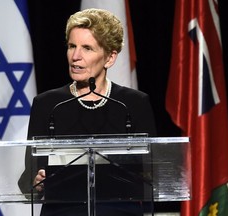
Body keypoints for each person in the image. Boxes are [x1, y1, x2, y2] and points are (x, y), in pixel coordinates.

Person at [18, 8, 157, 216]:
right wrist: (35, 182)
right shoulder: (48, 104)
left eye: (87, 48)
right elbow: (28, 177)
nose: (75, 56)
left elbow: (154, 174)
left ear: (110, 58)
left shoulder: (133, 104)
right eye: (72, 46)